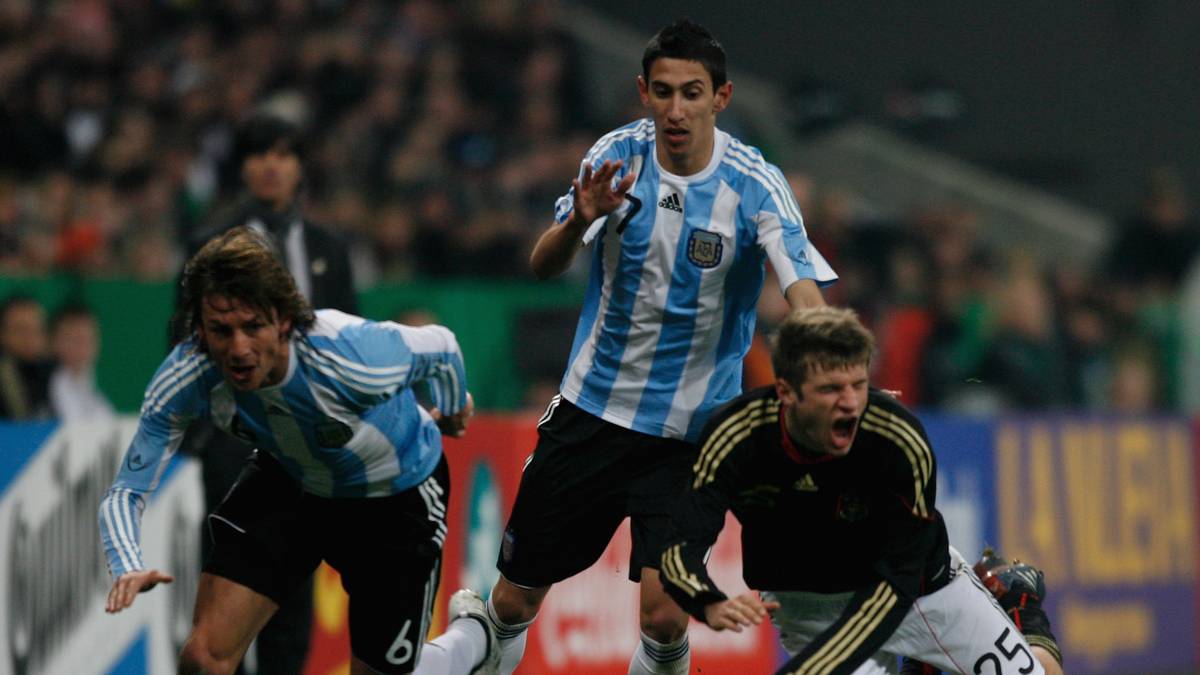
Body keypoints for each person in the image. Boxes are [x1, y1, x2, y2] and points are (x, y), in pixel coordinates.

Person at [486, 18, 836, 675]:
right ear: (643, 91)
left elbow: (804, 293)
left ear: (720, 99)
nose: (677, 109)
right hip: (592, 412)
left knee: (665, 610)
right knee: (510, 600)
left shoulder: (756, 183)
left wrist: (826, 374)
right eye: (665, 92)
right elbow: (541, 263)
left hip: (690, 435)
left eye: (693, 93)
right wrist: (580, 220)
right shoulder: (615, 158)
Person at [98, 228, 498, 675]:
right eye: (221, 331)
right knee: (203, 658)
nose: (238, 349)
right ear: (200, 330)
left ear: (283, 321)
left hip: (395, 498)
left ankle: (473, 640)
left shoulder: (349, 356)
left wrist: (453, 406)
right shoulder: (187, 376)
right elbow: (124, 492)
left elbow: (441, 346)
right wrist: (126, 562)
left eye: (253, 327)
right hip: (291, 481)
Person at [659, 306, 1064, 675]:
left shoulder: (898, 438)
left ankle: (1020, 607)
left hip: (923, 593)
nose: (851, 404)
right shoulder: (735, 437)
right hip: (809, 607)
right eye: (831, 389)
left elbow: (896, 586)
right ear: (785, 392)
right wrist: (706, 601)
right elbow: (679, 546)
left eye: (858, 384)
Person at [180, 112, 360, 675]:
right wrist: (208, 437)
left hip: (309, 443)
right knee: (227, 590)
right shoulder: (210, 244)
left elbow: (350, 340)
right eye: (259, 154)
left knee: (294, 588)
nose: (271, 166)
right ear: (242, 167)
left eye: (283, 153)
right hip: (236, 437)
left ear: (300, 166)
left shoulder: (329, 245)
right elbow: (183, 343)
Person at [48, 301, 114, 422]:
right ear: (54, 341)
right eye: (73, 339)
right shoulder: (48, 390)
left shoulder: (97, 397)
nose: (81, 346)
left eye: (88, 338)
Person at [0, 293, 53, 420]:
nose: (30, 338)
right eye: (20, 329)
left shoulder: (55, 373)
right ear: (2, 334)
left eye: (36, 329)